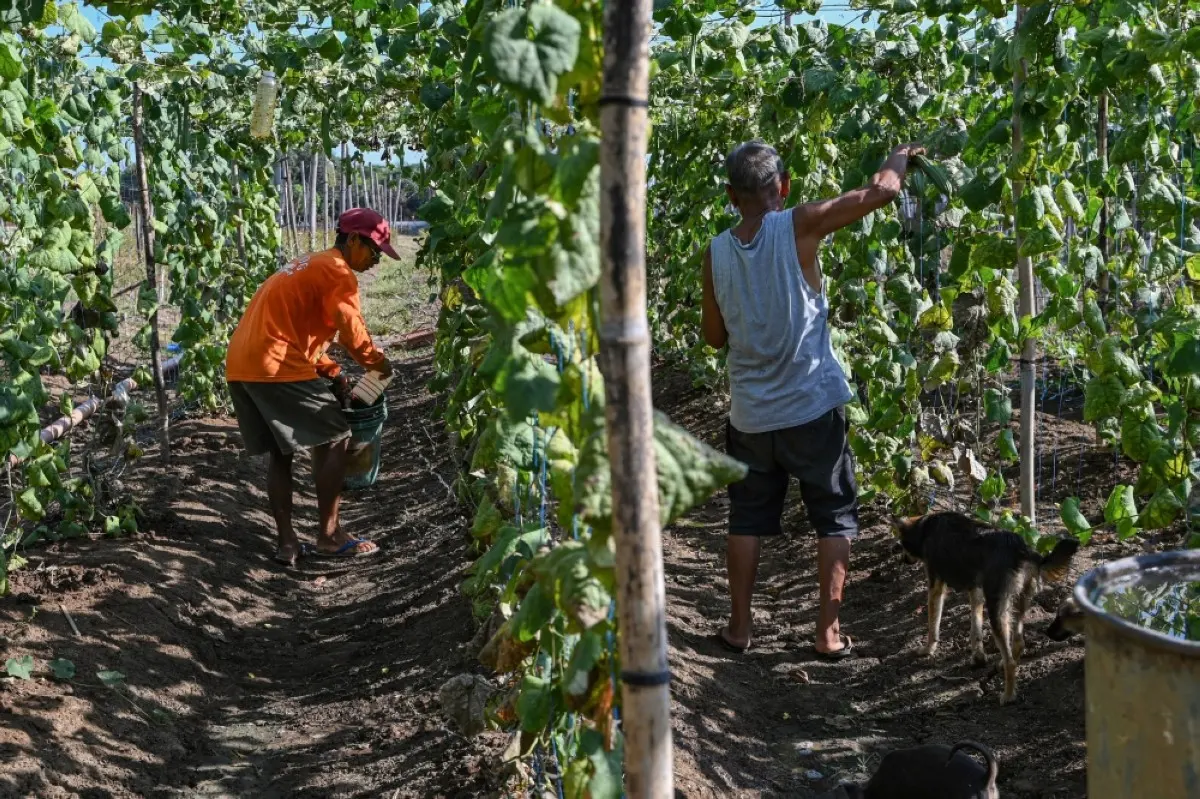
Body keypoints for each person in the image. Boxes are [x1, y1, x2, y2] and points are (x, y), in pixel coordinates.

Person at [701, 140, 925, 659]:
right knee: (833, 515)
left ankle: (738, 629)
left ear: (732, 196)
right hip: (811, 408)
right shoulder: (799, 223)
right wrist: (899, 156)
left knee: (746, 518)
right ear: (783, 186)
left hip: (751, 416)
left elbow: (714, 338)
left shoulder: (714, 253)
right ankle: (827, 633)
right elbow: (880, 191)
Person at [225, 207, 399, 566]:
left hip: (242, 363)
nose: (376, 261)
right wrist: (378, 364)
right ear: (353, 240)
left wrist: (332, 372)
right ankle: (330, 536)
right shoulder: (339, 272)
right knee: (335, 435)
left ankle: (288, 544)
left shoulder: (309, 263)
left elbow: (297, 329)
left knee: (281, 451)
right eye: (375, 251)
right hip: (275, 363)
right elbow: (353, 333)